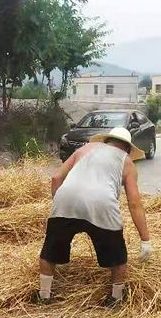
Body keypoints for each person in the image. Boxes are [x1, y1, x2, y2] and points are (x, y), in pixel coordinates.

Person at [34, 126, 152, 307]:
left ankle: (44, 295)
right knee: (117, 256)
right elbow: (134, 203)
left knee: (50, 251)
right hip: (102, 203)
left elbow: (56, 178)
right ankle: (116, 298)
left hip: (66, 198)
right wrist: (145, 239)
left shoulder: (85, 148)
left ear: (106, 141)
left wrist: (59, 204)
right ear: (128, 148)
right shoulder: (127, 162)